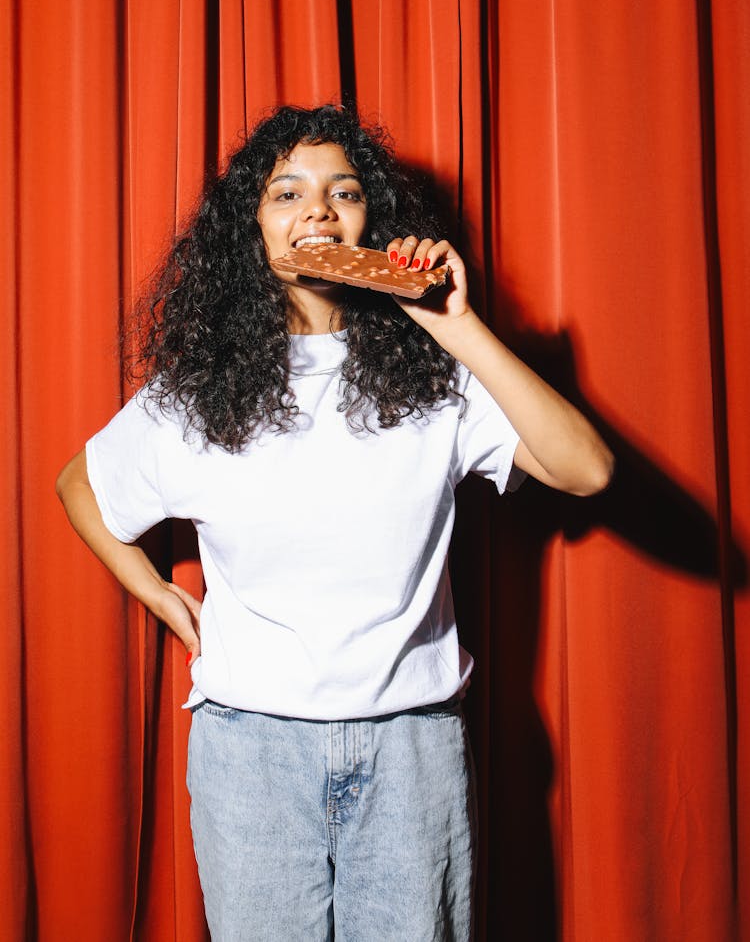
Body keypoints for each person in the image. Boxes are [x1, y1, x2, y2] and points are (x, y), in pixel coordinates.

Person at [56, 104, 613, 941]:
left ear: (370, 222)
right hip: (251, 754)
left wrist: (454, 326)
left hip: (412, 753)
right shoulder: (198, 394)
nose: (317, 209)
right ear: (252, 231)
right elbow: (81, 485)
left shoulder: (437, 379)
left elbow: (587, 468)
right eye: (286, 193)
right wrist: (157, 594)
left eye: (342, 191)